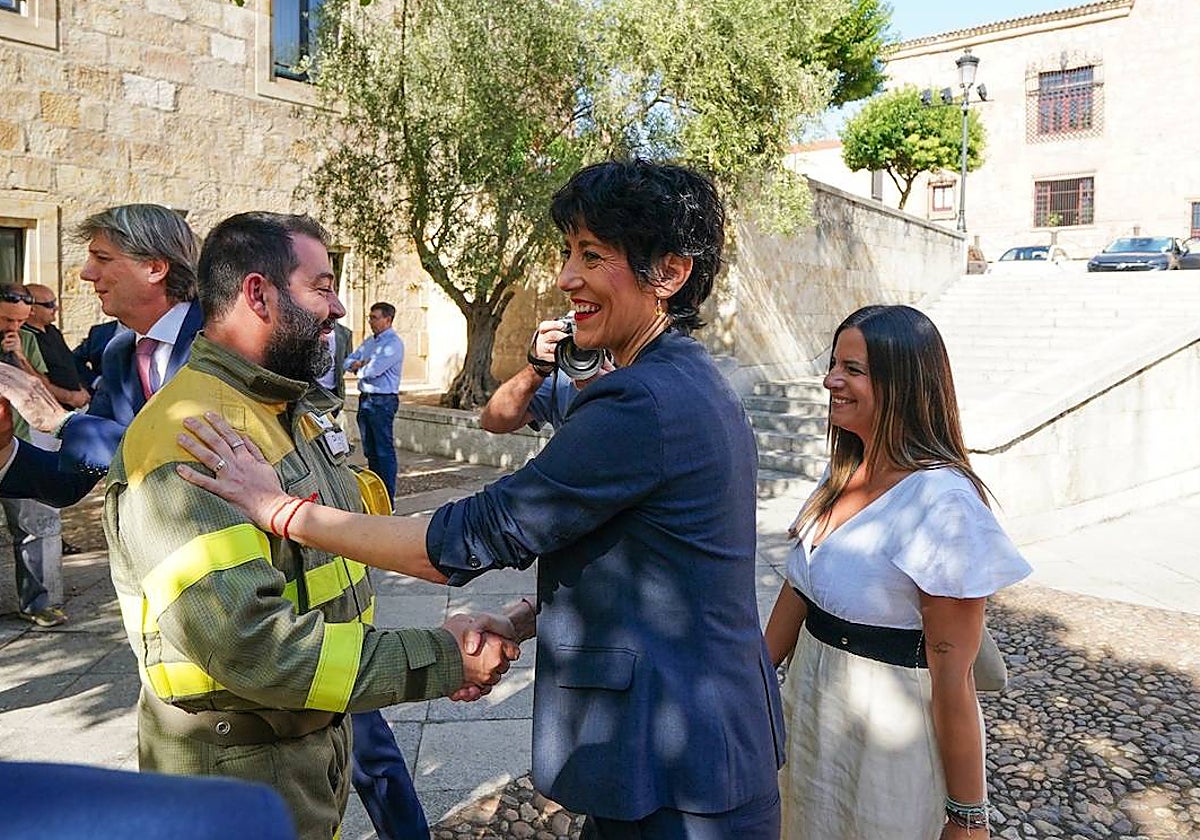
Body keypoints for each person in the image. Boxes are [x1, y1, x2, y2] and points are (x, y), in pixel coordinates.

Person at [176, 161, 786, 839]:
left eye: (592, 255)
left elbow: (467, 538)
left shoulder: (643, 398)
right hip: (695, 747)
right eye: (566, 253)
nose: (565, 279)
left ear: (668, 274)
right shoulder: (683, 378)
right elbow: (657, 556)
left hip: (678, 766)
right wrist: (527, 618)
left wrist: (282, 511)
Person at [104, 211, 517, 840]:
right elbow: (251, 646)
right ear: (258, 293)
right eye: (322, 287)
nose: (337, 307)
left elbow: (352, 541)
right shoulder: (195, 435)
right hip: (235, 774)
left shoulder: (282, 407)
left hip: (300, 743)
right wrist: (442, 659)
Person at [762, 305, 1032, 840]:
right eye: (833, 363)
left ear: (903, 384)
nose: (829, 380)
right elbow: (798, 593)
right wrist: (744, 687)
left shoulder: (944, 503)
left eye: (852, 370)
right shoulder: (843, 471)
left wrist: (967, 817)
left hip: (885, 752)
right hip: (810, 717)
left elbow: (954, 681)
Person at [0, 204, 203, 509]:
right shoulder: (119, 355)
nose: (85, 273)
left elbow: (185, 452)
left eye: (102, 259)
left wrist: (60, 422)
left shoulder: (217, 338)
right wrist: (4, 446)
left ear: (155, 268)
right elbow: (69, 481)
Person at [0, 284, 66, 627]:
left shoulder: (25, 341)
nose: (12, 326)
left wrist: (20, 358)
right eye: (6, 319)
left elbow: (40, 389)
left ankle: (36, 604)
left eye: (19, 320)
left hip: (15, 449)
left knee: (29, 528)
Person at [478, 317, 611, 435]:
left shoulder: (630, 370)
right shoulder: (563, 376)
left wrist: (617, 387)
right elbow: (493, 421)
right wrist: (537, 369)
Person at [345, 302, 403, 501]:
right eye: (370, 317)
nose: (370, 322)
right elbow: (348, 360)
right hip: (366, 399)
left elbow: (374, 370)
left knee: (383, 450)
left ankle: (388, 496)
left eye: (375, 318)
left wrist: (359, 367)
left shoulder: (393, 344)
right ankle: (377, 495)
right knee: (370, 449)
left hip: (382, 401)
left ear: (388, 319)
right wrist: (359, 364)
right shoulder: (370, 342)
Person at [21, 284, 90, 411]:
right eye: (49, 305)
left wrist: (80, 388)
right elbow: (32, 377)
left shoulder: (52, 330)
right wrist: (70, 397)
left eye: (54, 302)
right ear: (31, 309)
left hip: (72, 407)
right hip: (46, 412)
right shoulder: (25, 337)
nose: (56, 308)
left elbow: (68, 365)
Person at [72, 318, 123, 394]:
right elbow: (74, 359)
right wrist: (95, 381)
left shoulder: (145, 333)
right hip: (105, 400)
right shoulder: (99, 332)